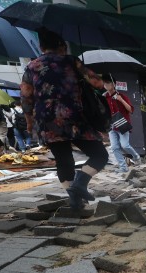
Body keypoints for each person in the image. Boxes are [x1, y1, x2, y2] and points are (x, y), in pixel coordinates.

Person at [20, 28, 109, 209]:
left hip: (46, 121)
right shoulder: (71, 61)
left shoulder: (31, 67)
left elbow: (26, 97)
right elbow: (97, 83)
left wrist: (29, 122)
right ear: (62, 46)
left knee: (64, 160)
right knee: (100, 155)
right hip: (74, 118)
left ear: (41, 46)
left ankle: (75, 200)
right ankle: (80, 184)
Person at [103, 74, 140, 172]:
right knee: (115, 147)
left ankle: (136, 156)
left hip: (122, 124)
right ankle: (123, 168)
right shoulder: (104, 97)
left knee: (125, 145)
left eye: (108, 83)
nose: (105, 85)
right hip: (111, 126)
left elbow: (131, 110)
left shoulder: (121, 96)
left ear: (113, 84)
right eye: (104, 83)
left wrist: (121, 100)